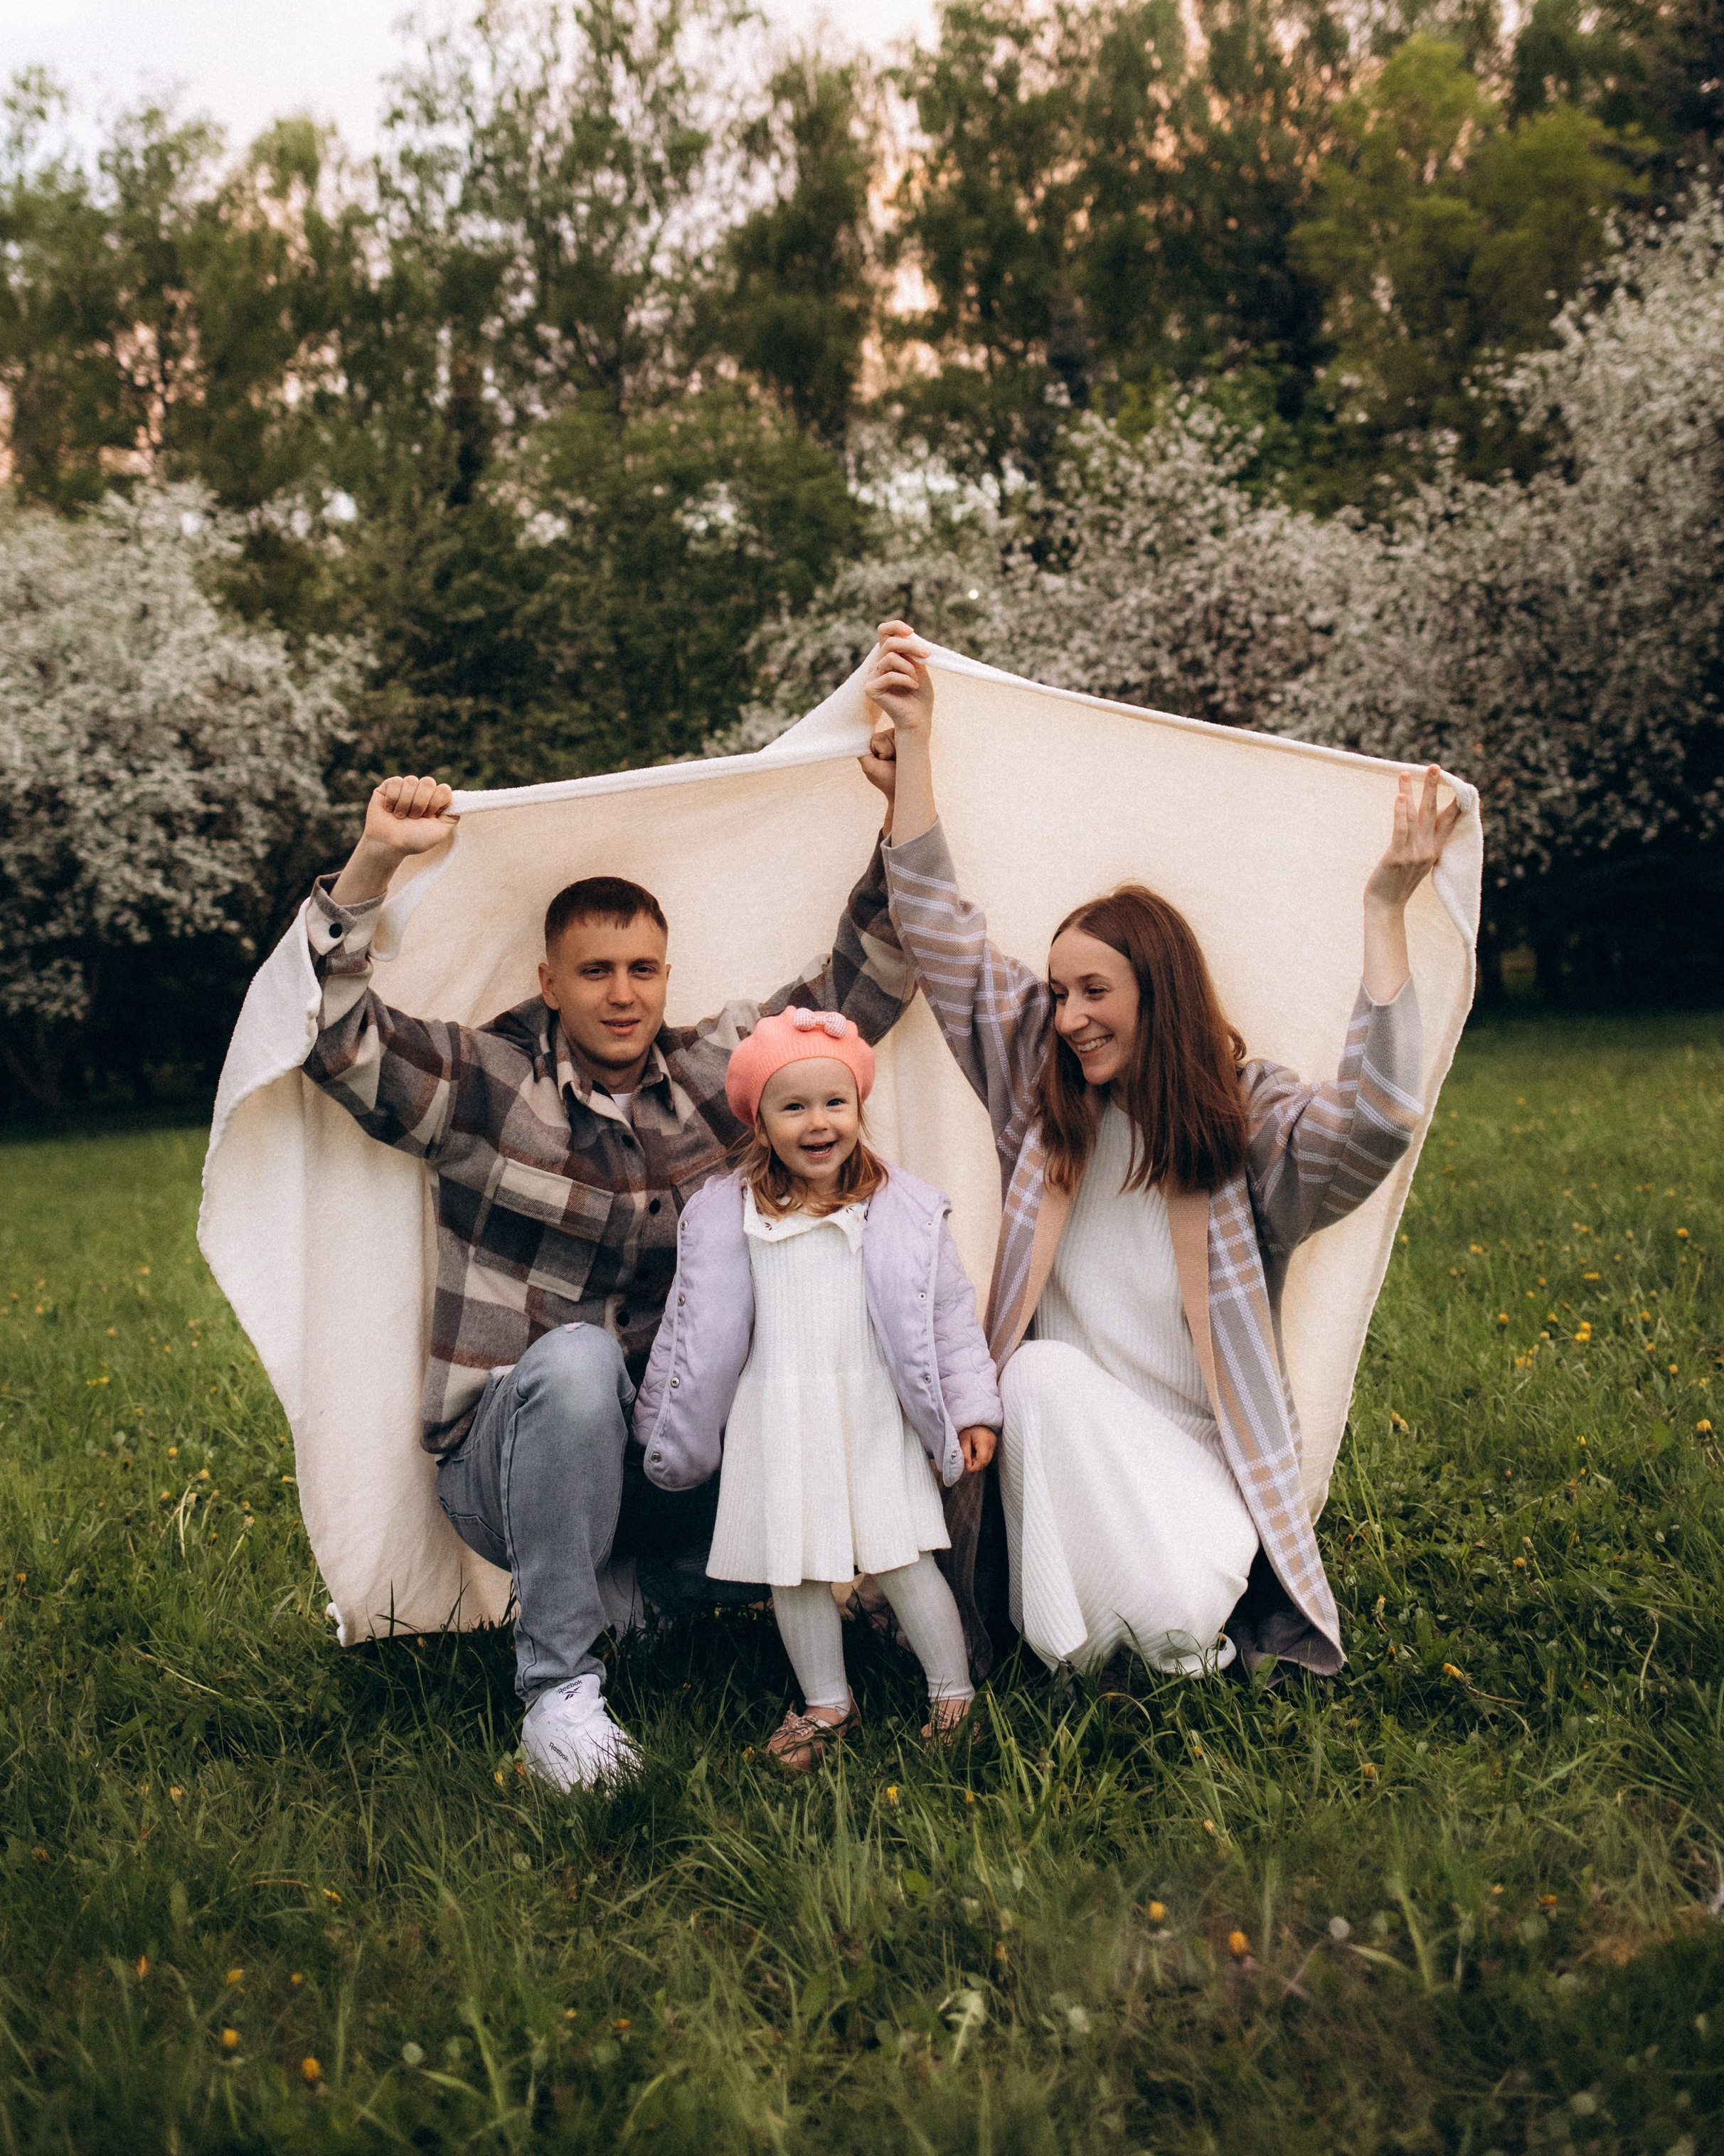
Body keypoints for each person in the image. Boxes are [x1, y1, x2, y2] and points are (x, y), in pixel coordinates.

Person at [301, 754, 912, 1789]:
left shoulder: (723, 1075)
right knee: (579, 1360)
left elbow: (854, 993)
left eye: (642, 970)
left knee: (842, 1335)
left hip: (672, 1461)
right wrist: (371, 864)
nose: (622, 994)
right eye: (595, 972)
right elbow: (341, 1041)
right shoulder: (488, 1084)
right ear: (550, 982)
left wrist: (907, 803)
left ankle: (663, 1601)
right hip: (511, 1466)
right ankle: (558, 1697)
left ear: (666, 976)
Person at [866, 623, 1455, 1683]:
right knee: (1036, 1377)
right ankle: (1093, 1671)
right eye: (1058, 992)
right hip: (1067, 1469)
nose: (1072, 1015)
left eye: (1096, 990)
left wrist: (1384, 908)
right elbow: (943, 935)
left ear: (1157, 989)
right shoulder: (1040, 1101)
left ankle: (1145, 1653)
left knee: (1161, 1605)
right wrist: (914, 751)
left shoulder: (1245, 1128)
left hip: (1197, 1490)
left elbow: (1377, 1120)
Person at [634, 1004, 1001, 1766]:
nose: (817, 1123)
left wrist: (970, 1406)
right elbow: (690, 1326)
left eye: (834, 1103)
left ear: (859, 1108)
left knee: (902, 1555)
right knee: (792, 1568)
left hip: (869, 1409)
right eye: (792, 1106)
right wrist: (667, 1420)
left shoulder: (898, 1208)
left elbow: (946, 1317)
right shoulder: (726, 1214)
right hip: (775, 1413)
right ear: (759, 1123)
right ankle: (827, 1702)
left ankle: (950, 1691)